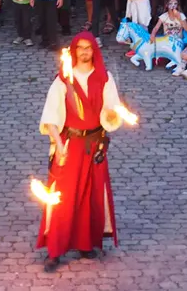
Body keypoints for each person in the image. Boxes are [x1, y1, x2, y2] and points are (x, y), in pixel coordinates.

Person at [36, 32, 125, 272]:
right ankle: (55, 250)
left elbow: (111, 110)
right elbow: (51, 115)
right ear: (74, 51)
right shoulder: (63, 79)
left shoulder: (104, 78)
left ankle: (85, 243)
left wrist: (113, 114)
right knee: (63, 197)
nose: (84, 52)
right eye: (80, 48)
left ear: (94, 51)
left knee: (90, 195)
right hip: (71, 145)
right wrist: (58, 144)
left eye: (88, 48)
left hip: (95, 145)